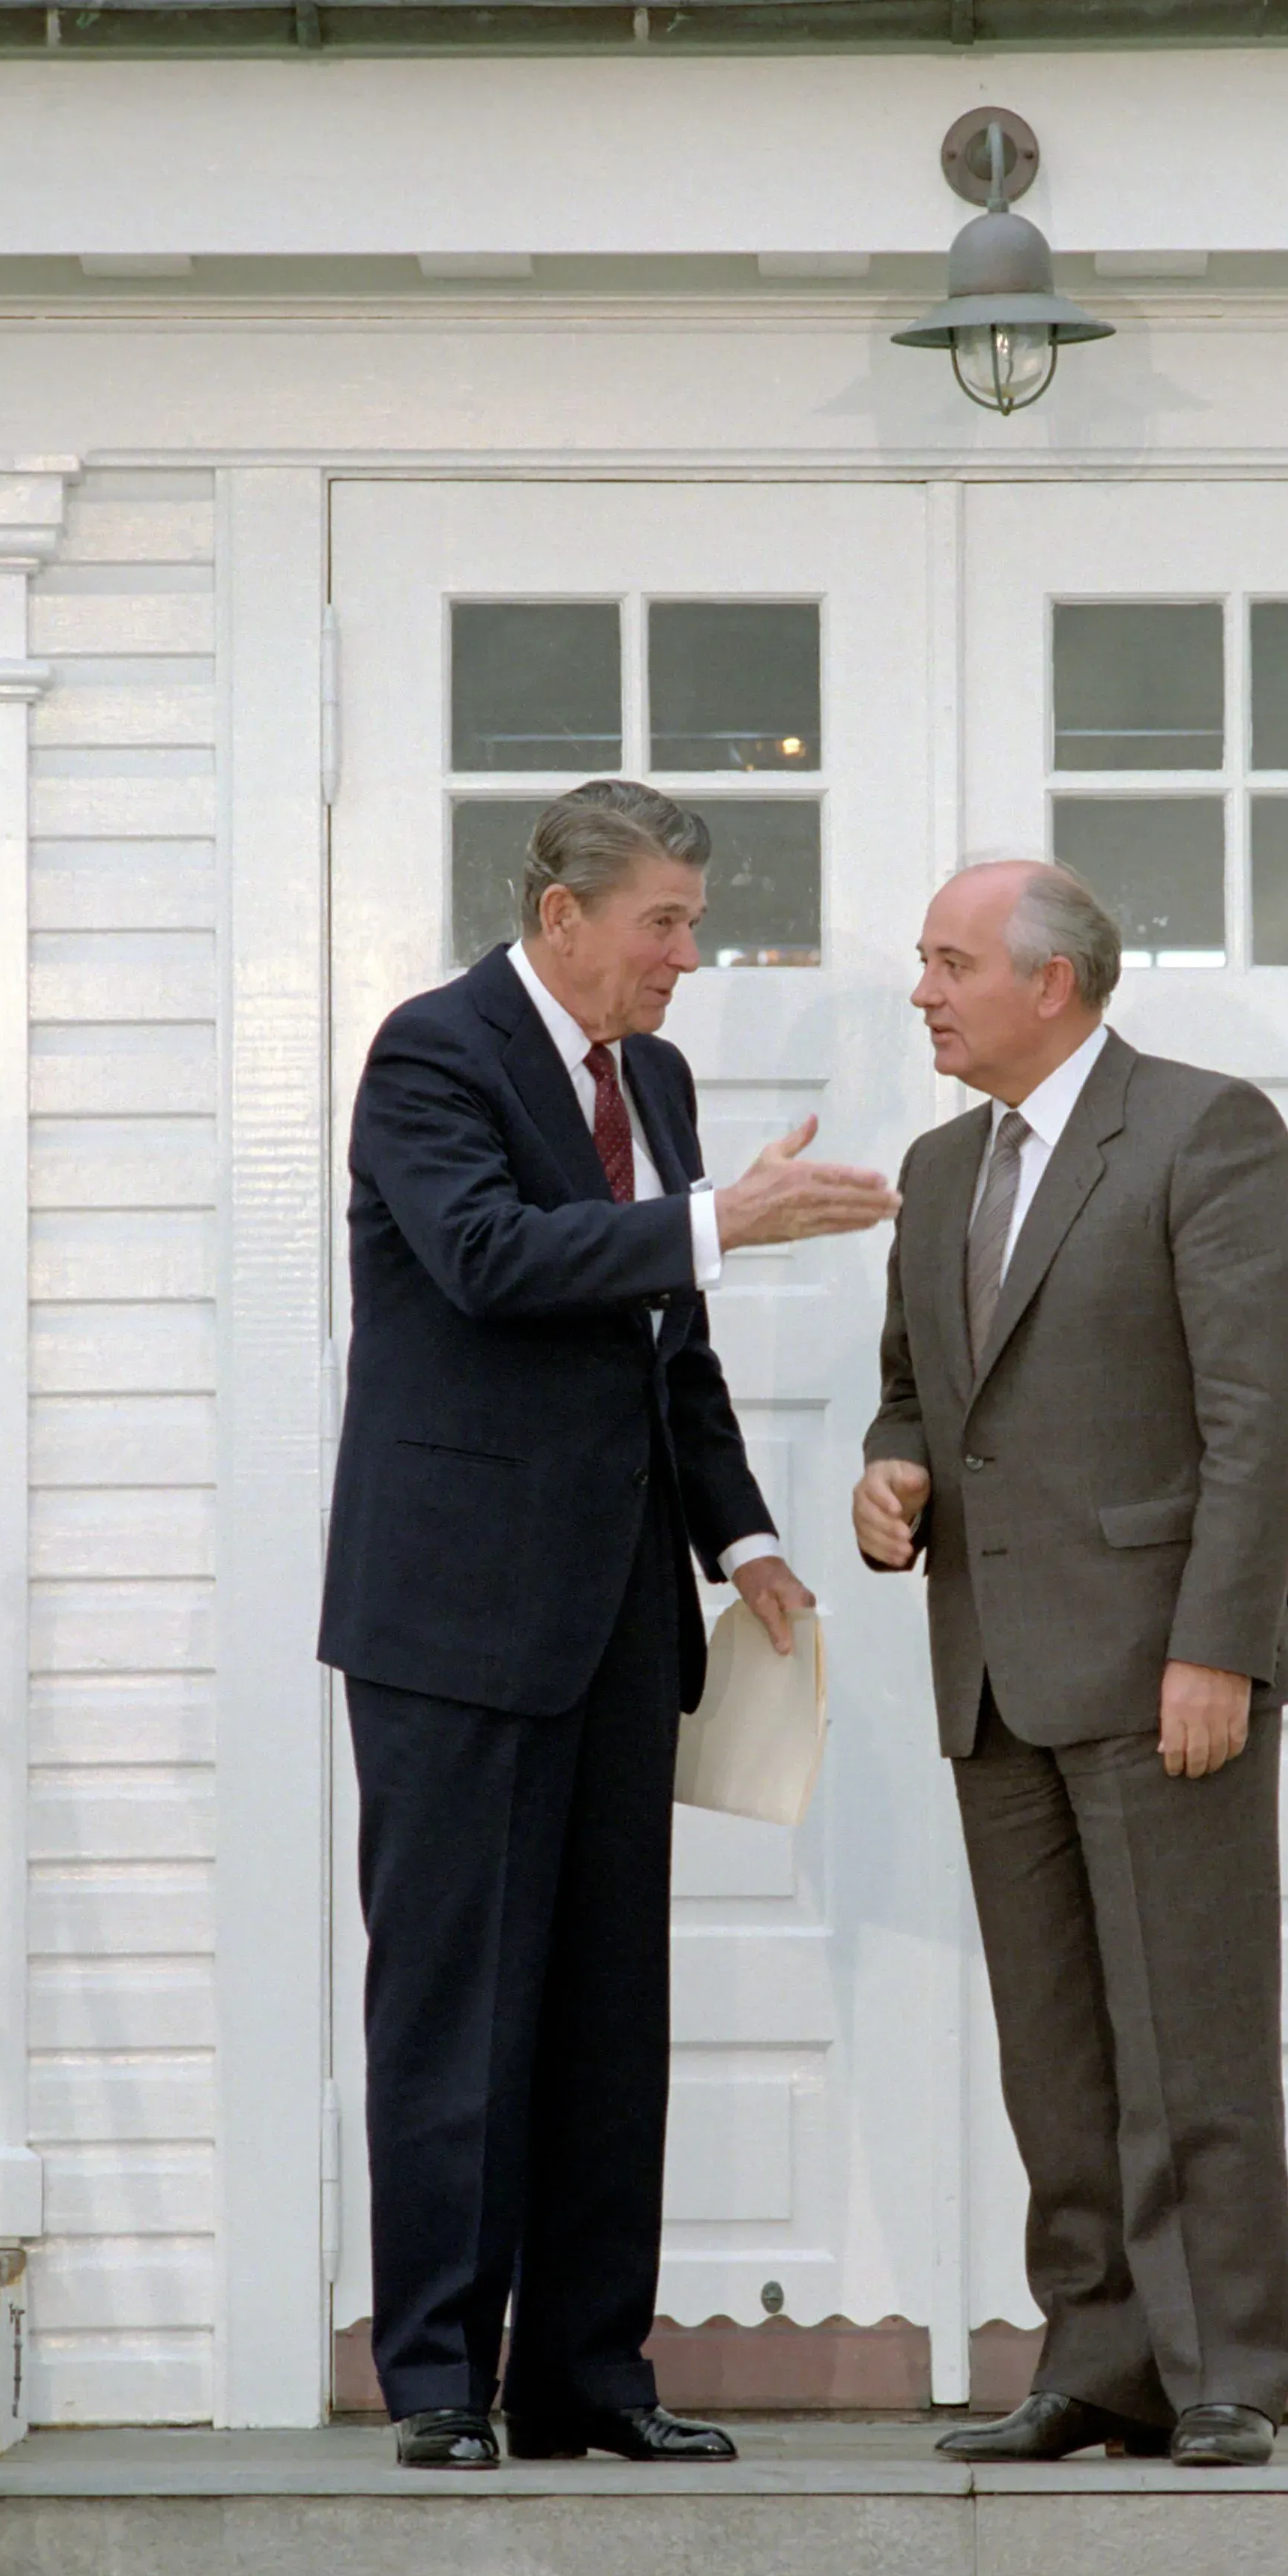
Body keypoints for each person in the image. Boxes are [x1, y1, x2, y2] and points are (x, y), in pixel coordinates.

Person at [320, 780, 898, 2469]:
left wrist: (744, 1533)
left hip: (620, 1608)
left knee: (601, 2011)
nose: (687, 956)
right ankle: (436, 2376)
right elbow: (494, 1258)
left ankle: (587, 2374)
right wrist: (730, 1221)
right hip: (451, 1613)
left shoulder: (655, 1078)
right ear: (562, 912)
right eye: (664, 921)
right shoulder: (433, 1053)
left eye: (695, 922)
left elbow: (668, 1338)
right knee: (454, 2006)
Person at [852, 859, 1288, 2469]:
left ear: (1051, 980)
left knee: (1191, 2031)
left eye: (947, 961)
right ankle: (1100, 2356)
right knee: (1056, 2049)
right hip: (992, 1670)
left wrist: (1218, 1646)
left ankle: (1223, 2366)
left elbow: (1259, 1421)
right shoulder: (933, 1168)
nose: (922, 989)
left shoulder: (1205, 1129)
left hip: (1159, 1665)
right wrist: (886, 1471)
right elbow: (917, 1395)